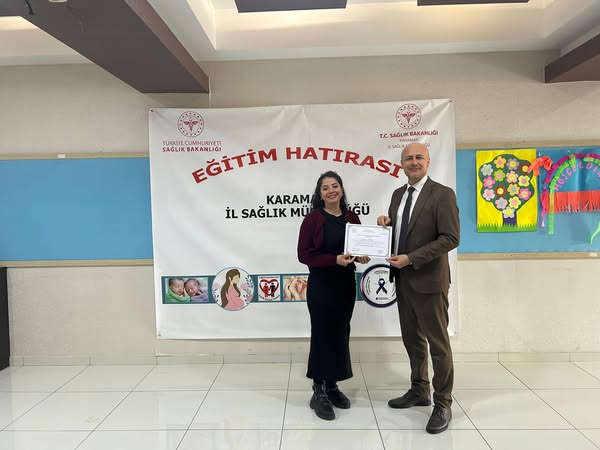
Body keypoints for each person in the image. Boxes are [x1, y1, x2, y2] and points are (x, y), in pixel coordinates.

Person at [376, 142, 460, 434]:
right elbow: (404, 233)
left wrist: (411, 258)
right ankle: (419, 389)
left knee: (438, 344)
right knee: (412, 340)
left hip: (430, 281)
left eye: (419, 157)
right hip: (403, 280)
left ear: (428, 161)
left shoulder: (443, 194)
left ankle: (443, 402)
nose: (413, 162)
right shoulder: (398, 195)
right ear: (401, 164)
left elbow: (450, 238)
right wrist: (386, 225)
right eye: (408, 158)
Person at [297, 170, 370, 421]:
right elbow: (304, 255)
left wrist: (361, 256)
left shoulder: (352, 217)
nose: (331, 190)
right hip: (321, 284)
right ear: (320, 194)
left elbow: (358, 249)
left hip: (345, 283)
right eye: (325, 187)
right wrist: (334, 260)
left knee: (340, 332)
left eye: (335, 185)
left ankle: (332, 385)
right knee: (322, 333)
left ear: (342, 189)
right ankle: (318, 391)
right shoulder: (312, 219)